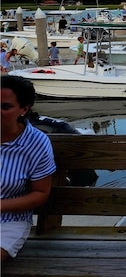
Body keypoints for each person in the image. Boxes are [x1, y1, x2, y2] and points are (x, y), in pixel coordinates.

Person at [1, 75, 57, 262]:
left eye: (5, 107)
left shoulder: (36, 143)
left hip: (9, 222)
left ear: (24, 109)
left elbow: (40, 193)